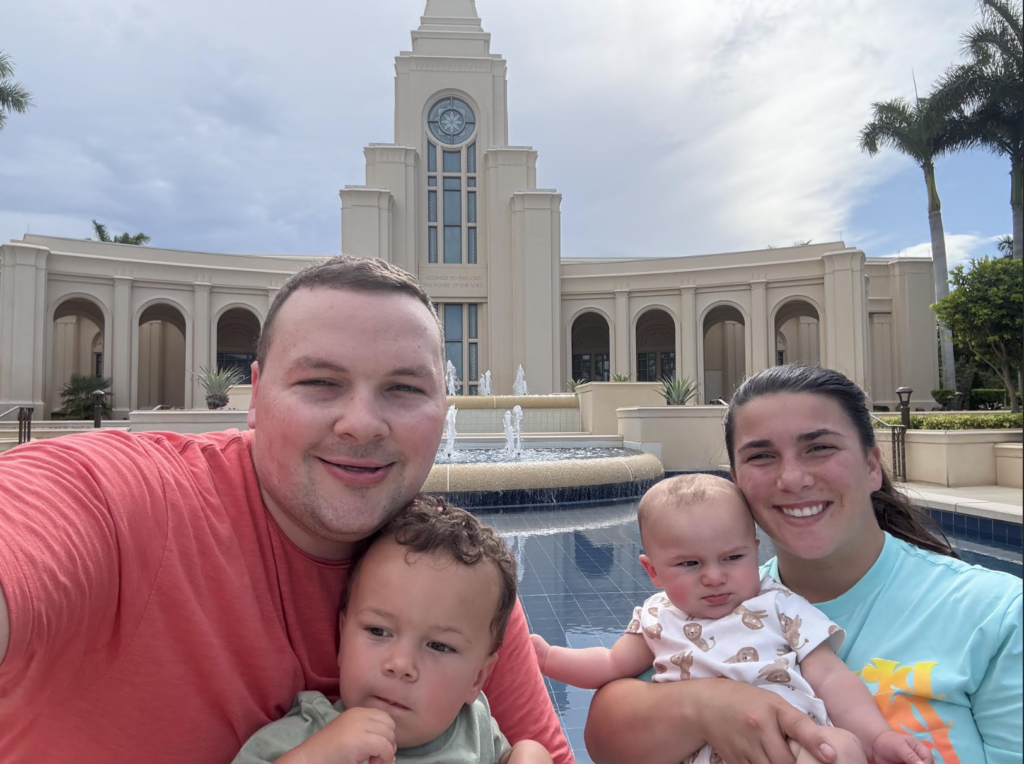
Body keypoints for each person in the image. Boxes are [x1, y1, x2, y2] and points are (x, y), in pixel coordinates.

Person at [0, 256, 573, 764]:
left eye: (404, 389)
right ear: (256, 393)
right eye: (321, 381)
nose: (362, 423)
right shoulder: (120, 496)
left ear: (443, 410)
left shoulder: (449, 576)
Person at [584, 365, 1022, 764]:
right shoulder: (704, 604)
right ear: (735, 483)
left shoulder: (998, 615)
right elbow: (604, 738)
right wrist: (707, 704)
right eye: (761, 456)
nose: (792, 479)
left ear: (873, 465)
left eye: (819, 448)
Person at [533, 474, 931, 764]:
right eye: (689, 563)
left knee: (843, 748)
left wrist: (877, 738)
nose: (714, 576)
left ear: (755, 552)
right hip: (700, 752)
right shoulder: (656, 617)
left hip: (795, 745)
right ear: (652, 571)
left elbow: (830, 676)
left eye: (733, 558)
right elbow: (608, 665)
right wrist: (547, 657)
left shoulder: (778, 603)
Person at [235, 499, 553, 764]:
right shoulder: (311, 733)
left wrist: (530, 754)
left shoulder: (475, 730)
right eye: (378, 630)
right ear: (342, 640)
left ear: (477, 680)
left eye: (440, 646)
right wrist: (313, 758)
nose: (400, 664)